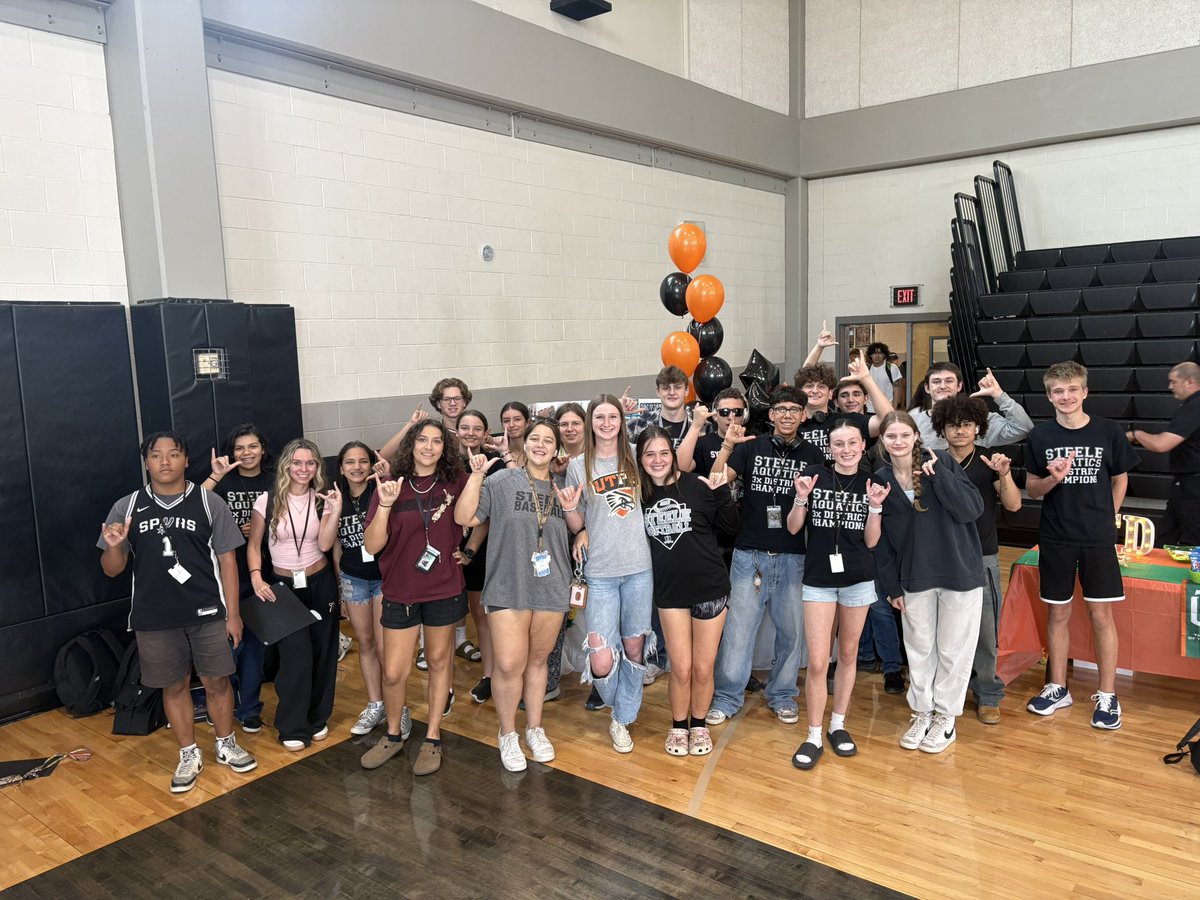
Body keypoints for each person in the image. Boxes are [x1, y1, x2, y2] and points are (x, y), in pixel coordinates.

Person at [99, 432, 255, 793]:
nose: (165, 462)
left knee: (217, 681)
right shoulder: (126, 507)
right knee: (174, 686)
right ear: (147, 462)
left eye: (173, 454)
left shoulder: (209, 502)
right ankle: (188, 753)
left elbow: (228, 562)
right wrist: (115, 546)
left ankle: (226, 743)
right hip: (155, 617)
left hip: (208, 612)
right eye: (156, 455)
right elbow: (111, 569)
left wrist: (233, 614)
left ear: (186, 460)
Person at [456, 419, 577, 771]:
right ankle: (507, 732)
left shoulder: (564, 487)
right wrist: (476, 476)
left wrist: (581, 530)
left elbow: (578, 527)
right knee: (509, 665)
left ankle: (534, 728)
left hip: (552, 586)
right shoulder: (501, 481)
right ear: (524, 444)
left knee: (538, 662)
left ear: (556, 449)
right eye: (534, 438)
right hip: (507, 585)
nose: (540, 445)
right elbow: (465, 516)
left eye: (548, 440)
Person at [1024, 362, 1139, 730]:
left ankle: (1108, 694)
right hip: (1056, 536)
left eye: (1072, 389)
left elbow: (1120, 479)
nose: (1066, 396)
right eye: (1058, 391)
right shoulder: (1040, 436)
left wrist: (1108, 517)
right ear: (1049, 396)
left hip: (1097, 538)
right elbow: (1032, 489)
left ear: (1085, 392)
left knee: (1101, 615)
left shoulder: (1108, 431)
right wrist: (1053, 479)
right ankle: (1058, 687)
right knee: (1057, 613)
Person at [705, 386, 826, 728]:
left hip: (793, 556)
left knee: (791, 633)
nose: (787, 415)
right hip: (750, 555)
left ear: (804, 415)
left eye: (794, 409)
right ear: (771, 415)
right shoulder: (751, 447)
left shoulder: (813, 454)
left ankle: (783, 694)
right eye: (781, 409)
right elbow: (715, 479)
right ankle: (727, 696)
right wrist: (728, 446)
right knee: (739, 632)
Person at [871, 411, 986, 754]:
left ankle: (945, 718)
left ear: (916, 437)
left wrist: (939, 478)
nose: (898, 442)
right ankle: (922, 712)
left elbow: (971, 510)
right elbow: (883, 543)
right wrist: (891, 587)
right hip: (913, 578)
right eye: (891, 436)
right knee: (920, 650)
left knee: (953, 650)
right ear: (883, 441)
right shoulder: (880, 479)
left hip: (959, 574)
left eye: (904, 435)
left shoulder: (942, 463)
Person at [360, 420, 470, 774]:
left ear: (444, 448)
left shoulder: (457, 480)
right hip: (400, 590)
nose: (429, 447)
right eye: (422, 439)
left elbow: (474, 516)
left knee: (439, 662)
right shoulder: (392, 484)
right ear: (412, 444)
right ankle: (393, 734)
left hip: (443, 588)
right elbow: (372, 546)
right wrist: (386, 505)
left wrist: (468, 551)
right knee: (394, 672)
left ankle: (433, 736)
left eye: (437, 441)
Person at [637, 427, 739, 757]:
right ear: (640, 459)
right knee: (680, 669)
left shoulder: (697, 485)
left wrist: (722, 493)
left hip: (710, 588)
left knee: (703, 668)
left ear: (673, 454)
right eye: (649, 454)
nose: (657, 460)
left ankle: (699, 725)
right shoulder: (639, 495)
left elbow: (731, 528)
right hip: (671, 593)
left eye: (663, 453)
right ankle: (679, 726)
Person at [563, 395, 655, 754]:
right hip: (599, 571)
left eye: (612, 416)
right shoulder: (578, 465)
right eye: (599, 417)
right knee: (601, 657)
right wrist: (572, 515)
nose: (606, 423)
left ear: (621, 420)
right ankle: (622, 705)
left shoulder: (634, 454)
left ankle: (621, 719)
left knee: (634, 647)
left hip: (638, 568)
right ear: (590, 422)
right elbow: (578, 522)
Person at [787, 420, 882, 769]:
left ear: (862, 445)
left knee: (848, 653)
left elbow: (872, 541)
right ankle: (813, 733)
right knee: (817, 661)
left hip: (858, 579)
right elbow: (793, 528)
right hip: (819, 580)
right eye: (839, 444)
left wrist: (875, 506)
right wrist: (801, 497)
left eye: (852, 443)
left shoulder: (872, 482)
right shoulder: (814, 476)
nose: (846, 450)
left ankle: (837, 724)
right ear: (830, 448)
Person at [247, 439, 341, 751]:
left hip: (320, 581)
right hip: (282, 586)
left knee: (323, 651)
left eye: (310, 463)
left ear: (317, 467)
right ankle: (292, 725)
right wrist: (256, 576)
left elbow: (325, 544)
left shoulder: (323, 499)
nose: (303, 469)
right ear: (286, 465)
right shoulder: (267, 501)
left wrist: (335, 510)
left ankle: (317, 718)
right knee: (295, 656)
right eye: (297, 463)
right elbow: (254, 545)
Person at [933, 396, 1022, 724]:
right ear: (942, 429)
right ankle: (944, 691)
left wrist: (1005, 475)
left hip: (982, 555)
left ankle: (987, 692)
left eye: (967, 424)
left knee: (985, 630)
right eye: (953, 425)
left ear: (978, 428)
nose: (960, 430)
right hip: (941, 556)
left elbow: (1013, 505)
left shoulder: (989, 460)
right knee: (942, 630)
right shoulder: (933, 461)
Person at [201, 423, 273, 733]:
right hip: (225, 577)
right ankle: (221, 705)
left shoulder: (275, 481)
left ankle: (249, 708)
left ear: (263, 449)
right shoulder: (223, 482)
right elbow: (191, 503)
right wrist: (215, 476)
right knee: (226, 646)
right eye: (240, 448)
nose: (246, 452)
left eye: (252, 446)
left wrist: (261, 530)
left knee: (254, 646)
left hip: (263, 575)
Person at [331, 441, 388, 736]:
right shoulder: (335, 499)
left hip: (384, 578)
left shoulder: (381, 492)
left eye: (363, 461)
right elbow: (336, 547)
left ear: (371, 464)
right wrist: (341, 587)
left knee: (385, 646)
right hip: (354, 579)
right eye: (350, 462)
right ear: (341, 468)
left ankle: (396, 706)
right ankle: (375, 704)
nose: (357, 467)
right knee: (365, 644)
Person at [1126, 361, 1200, 546]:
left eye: (1174, 382)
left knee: (1191, 541)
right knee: (1167, 537)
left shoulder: (1194, 407)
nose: (1170, 387)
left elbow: (1161, 444)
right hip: (1185, 486)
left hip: (1193, 487)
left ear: (1189, 381)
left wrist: (1136, 435)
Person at [545, 402, 587, 707]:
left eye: (575, 423)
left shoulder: (595, 460)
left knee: (592, 611)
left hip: (589, 542)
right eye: (564, 424)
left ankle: (599, 673)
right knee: (559, 611)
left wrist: (584, 531)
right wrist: (556, 474)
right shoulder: (553, 461)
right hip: (557, 544)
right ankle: (551, 674)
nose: (569, 429)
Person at [455, 409, 497, 703]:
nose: (470, 433)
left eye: (477, 428)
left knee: (482, 614)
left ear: (486, 433)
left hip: (481, 550)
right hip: (448, 548)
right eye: (465, 427)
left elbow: (488, 514)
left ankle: (490, 676)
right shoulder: (445, 463)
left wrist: (470, 550)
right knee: (446, 616)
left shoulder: (494, 465)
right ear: (456, 431)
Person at [912, 363, 1033, 451]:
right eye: (936, 381)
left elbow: (1022, 429)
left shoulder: (977, 417)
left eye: (949, 381)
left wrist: (999, 395)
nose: (943, 386)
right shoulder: (914, 421)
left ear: (959, 386)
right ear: (927, 388)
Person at [794, 360, 893, 461]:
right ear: (800, 392)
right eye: (809, 386)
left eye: (821, 386)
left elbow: (889, 421)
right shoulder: (789, 422)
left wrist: (867, 379)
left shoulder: (847, 421)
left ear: (830, 394)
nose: (815, 391)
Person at [379, 377, 472, 461]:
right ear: (438, 404)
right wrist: (411, 424)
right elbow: (383, 456)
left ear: (464, 402)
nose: (452, 403)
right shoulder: (431, 430)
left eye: (457, 398)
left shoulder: (475, 428)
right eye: (446, 399)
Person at [627, 366, 693, 445]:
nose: (672, 392)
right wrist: (618, 409)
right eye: (666, 388)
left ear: (686, 391)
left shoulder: (701, 424)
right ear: (658, 392)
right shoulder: (640, 423)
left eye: (677, 387)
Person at [866, 342, 903, 411]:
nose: (877, 356)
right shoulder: (866, 369)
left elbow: (897, 390)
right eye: (874, 353)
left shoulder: (892, 368)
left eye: (880, 353)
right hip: (870, 409)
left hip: (887, 408)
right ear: (870, 355)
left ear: (884, 355)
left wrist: (894, 409)